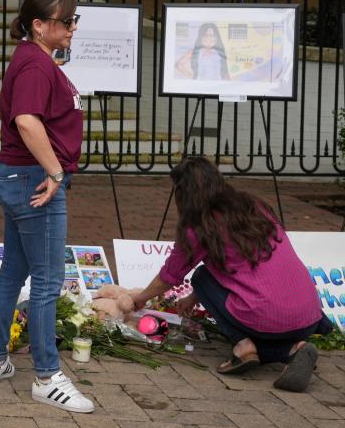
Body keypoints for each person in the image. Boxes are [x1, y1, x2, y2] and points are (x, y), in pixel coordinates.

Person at [0, 0, 93, 414]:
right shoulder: (33, 63)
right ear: (39, 26)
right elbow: (27, 121)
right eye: (66, 22)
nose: (72, 28)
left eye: (73, 20)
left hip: (20, 175)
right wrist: (56, 172)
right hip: (33, 179)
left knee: (15, 269)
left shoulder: (34, 60)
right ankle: (47, 377)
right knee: (47, 279)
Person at [131, 157, 332, 392]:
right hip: (310, 314)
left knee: (200, 277)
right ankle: (297, 346)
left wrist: (140, 298)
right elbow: (244, 271)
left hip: (269, 317)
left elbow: (169, 276)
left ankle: (248, 348)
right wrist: (195, 298)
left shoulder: (199, 227)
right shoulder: (254, 207)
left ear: (184, 194)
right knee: (216, 281)